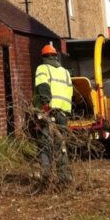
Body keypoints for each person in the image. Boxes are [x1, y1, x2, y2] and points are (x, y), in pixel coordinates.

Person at [34, 42, 73, 186]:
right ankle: (64, 177)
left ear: (43, 57)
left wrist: (45, 105)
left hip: (49, 111)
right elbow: (70, 93)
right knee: (61, 144)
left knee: (45, 143)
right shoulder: (65, 72)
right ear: (55, 56)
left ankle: (46, 177)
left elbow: (43, 87)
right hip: (63, 113)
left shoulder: (42, 68)